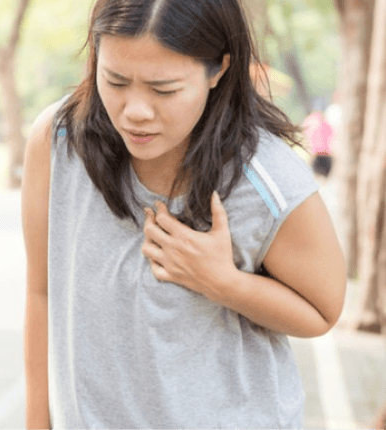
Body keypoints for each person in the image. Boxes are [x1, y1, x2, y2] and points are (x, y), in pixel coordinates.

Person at [21, 0, 347, 429]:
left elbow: (322, 311)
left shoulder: (266, 180)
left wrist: (223, 282)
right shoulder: (59, 142)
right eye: (115, 79)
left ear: (218, 71)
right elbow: (41, 294)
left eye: (164, 89)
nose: (135, 110)